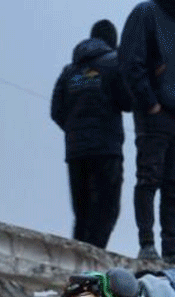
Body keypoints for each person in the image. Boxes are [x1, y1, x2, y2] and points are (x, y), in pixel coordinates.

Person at [120, 0, 175, 266]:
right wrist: (150, 103)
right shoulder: (147, 13)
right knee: (149, 178)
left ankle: (171, 249)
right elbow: (131, 61)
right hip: (155, 113)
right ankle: (147, 244)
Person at [52, 20, 134, 249]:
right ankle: (92, 262)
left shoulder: (69, 71)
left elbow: (56, 111)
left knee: (82, 214)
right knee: (106, 209)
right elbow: (127, 101)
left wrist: (75, 130)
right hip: (106, 148)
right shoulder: (113, 63)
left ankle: (77, 264)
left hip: (76, 151)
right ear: (112, 42)